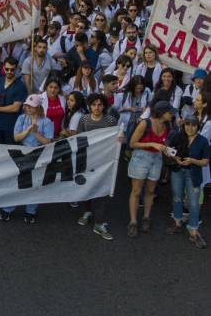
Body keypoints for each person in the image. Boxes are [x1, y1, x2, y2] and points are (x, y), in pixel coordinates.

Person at [0, 94, 54, 223]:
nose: (28, 108)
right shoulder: (21, 118)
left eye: (31, 106)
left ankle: (31, 210)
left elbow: (48, 141)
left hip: (39, 154)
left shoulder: (46, 121)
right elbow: (16, 138)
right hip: (22, 153)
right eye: (27, 105)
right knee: (16, 183)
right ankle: (8, 208)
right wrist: (28, 131)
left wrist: (35, 133)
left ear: (38, 107)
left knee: (35, 184)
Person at [75, 93, 121, 240]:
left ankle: (99, 223)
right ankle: (87, 211)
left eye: (100, 105)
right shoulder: (84, 119)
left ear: (104, 106)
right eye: (94, 105)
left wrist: (121, 138)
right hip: (87, 161)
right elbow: (79, 138)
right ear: (89, 106)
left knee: (102, 191)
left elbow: (119, 138)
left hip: (104, 162)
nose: (97, 107)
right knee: (86, 187)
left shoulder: (111, 120)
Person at [126, 101, 175, 238]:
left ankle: (146, 217)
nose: (172, 114)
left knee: (150, 190)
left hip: (157, 159)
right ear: (161, 112)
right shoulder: (145, 123)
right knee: (136, 191)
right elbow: (132, 143)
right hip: (141, 158)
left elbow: (164, 142)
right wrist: (152, 143)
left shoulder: (167, 125)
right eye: (170, 112)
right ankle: (133, 221)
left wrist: (166, 149)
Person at [164, 114, 210, 248]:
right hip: (178, 171)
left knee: (194, 203)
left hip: (193, 174)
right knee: (177, 197)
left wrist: (192, 160)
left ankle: (194, 230)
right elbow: (169, 150)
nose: (190, 128)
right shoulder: (178, 137)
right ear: (183, 125)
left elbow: (205, 162)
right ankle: (177, 223)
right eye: (187, 124)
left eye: (193, 125)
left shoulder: (203, 141)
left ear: (198, 126)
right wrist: (176, 158)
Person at [0, 57, 26, 144]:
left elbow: (15, 108)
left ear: (16, 69)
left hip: (10, 126)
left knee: (10, 152)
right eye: (7, 69)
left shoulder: (20, 86)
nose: (9, 72)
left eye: (12, 69)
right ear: (3, 67)